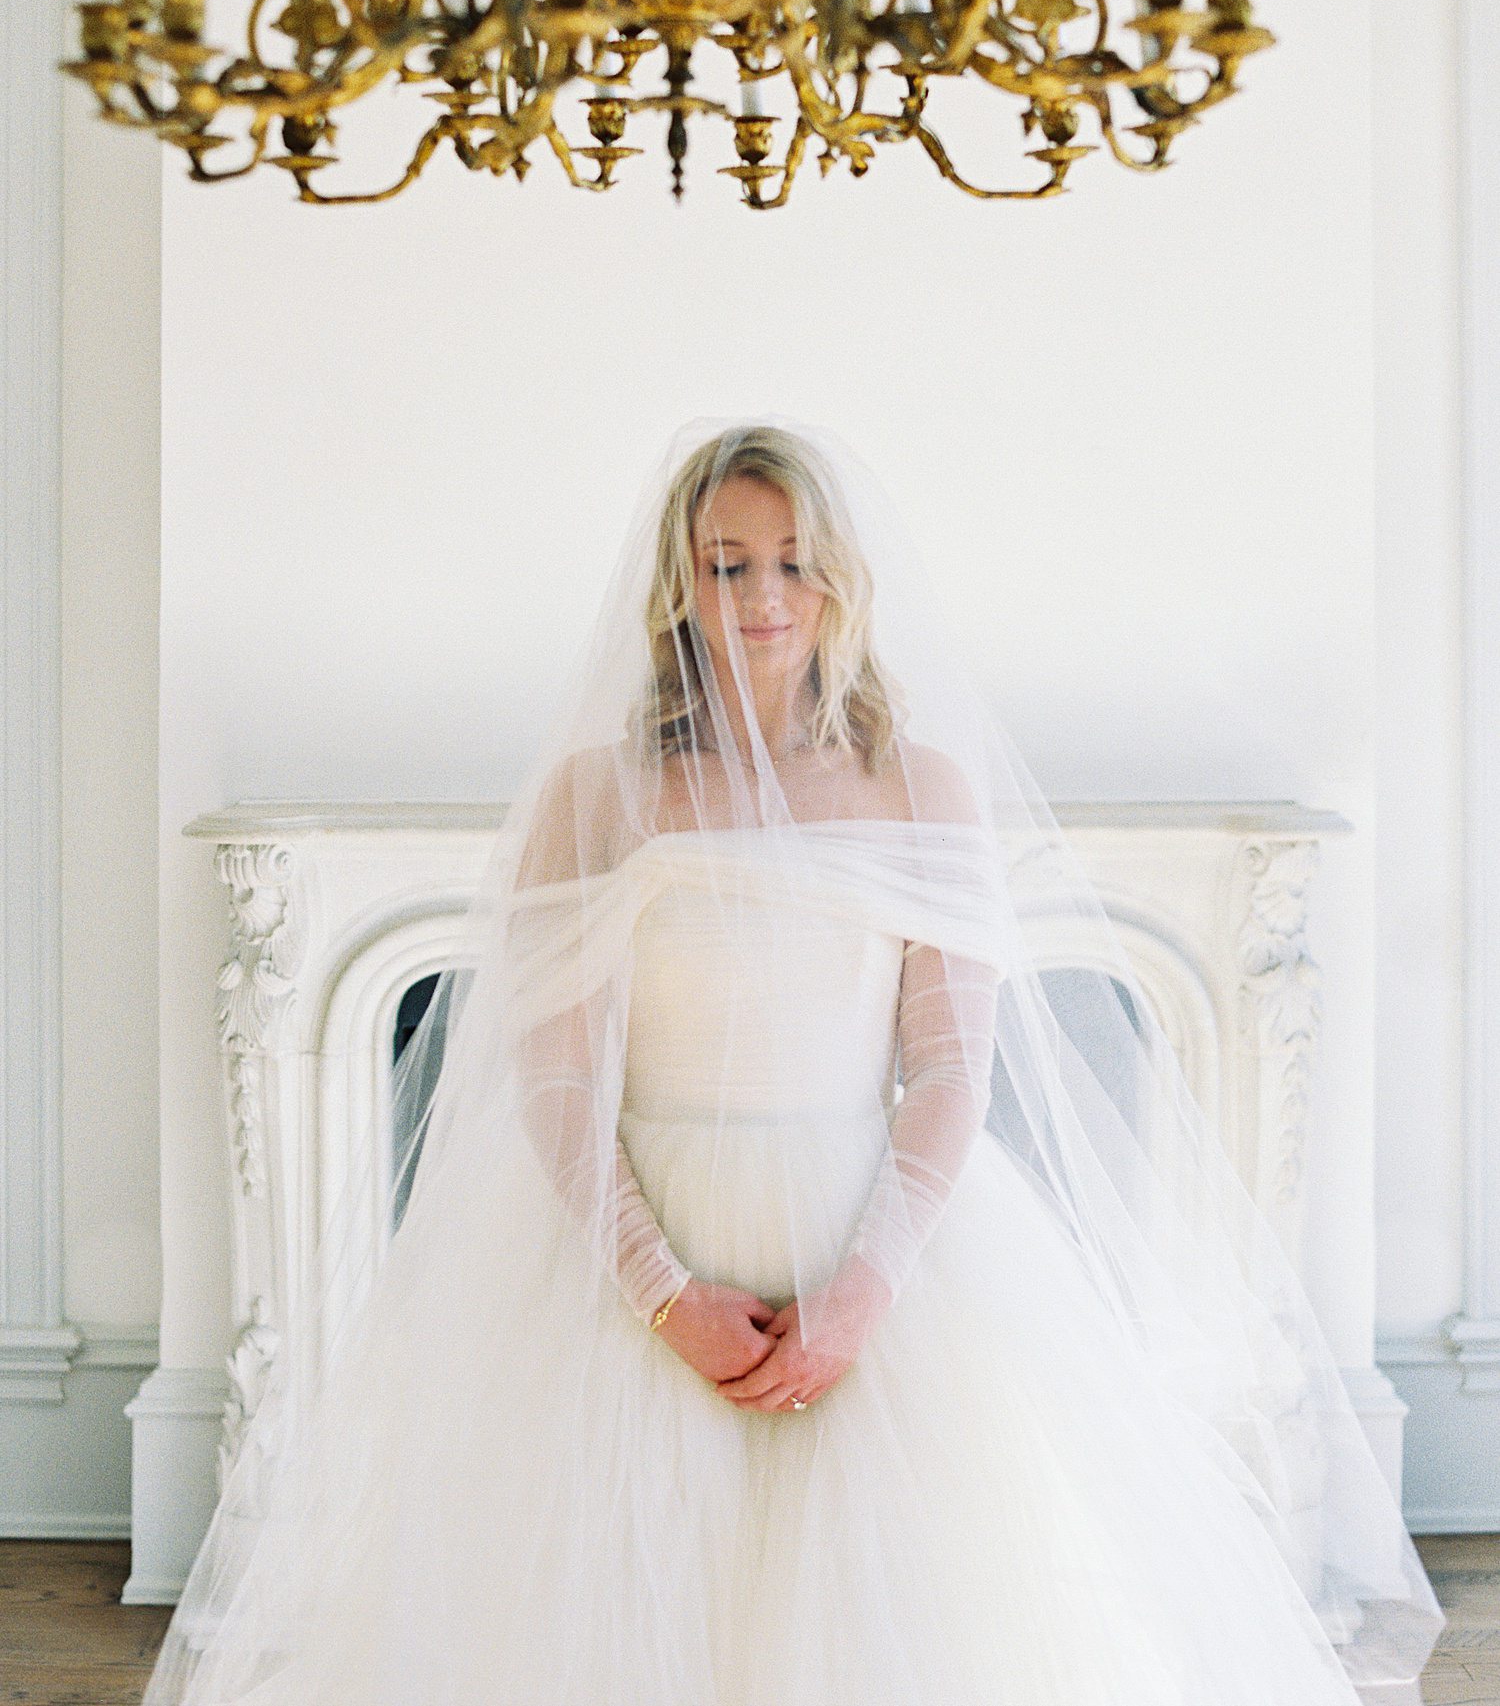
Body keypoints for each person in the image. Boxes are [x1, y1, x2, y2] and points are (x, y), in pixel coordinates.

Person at [143, 418, 1443, 1706]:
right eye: (726, 562)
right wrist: (662, 1291)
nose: (764, 594)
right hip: (632, 1248)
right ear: (677, 587)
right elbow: (556, 1081)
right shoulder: (597, 795)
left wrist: (868, 1285)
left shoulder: (921, 784)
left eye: (794, 559)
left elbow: (947, 1065)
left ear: (844, 582)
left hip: (869, 1240)